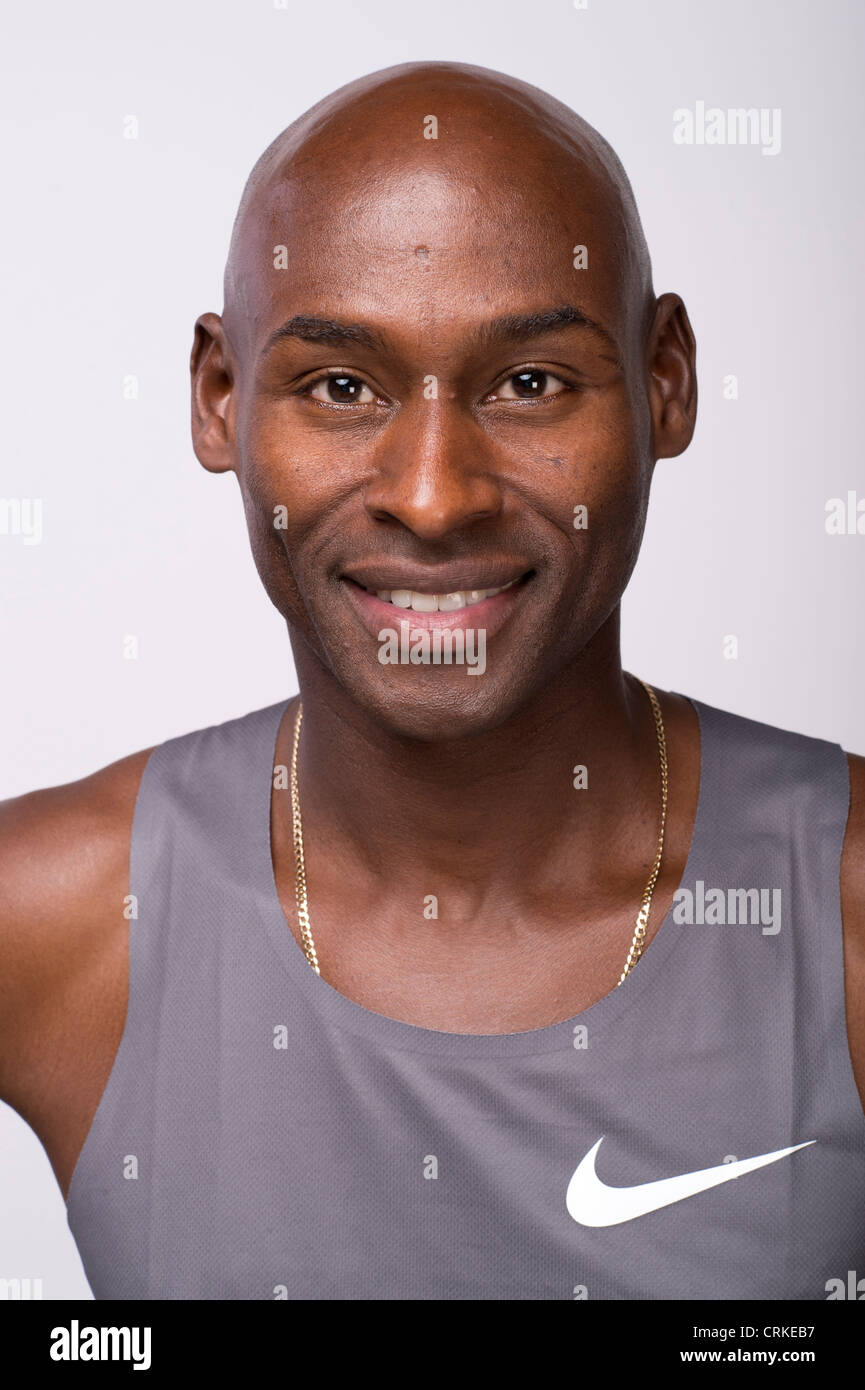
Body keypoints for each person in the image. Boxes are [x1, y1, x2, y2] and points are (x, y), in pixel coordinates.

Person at [1, 60, 863, 1302]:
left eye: (529, 383)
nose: (432, 493)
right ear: (219, 396)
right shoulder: (54, 919)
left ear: (664, 377)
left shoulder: (835, 914)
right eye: (341, 387)